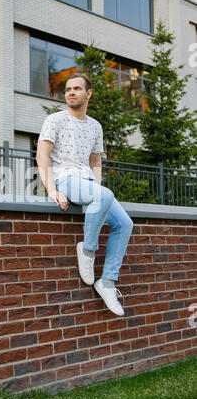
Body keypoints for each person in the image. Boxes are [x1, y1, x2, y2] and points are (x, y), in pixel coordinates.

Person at [36, 73, 133, 316]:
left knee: (125, 223)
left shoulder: (95, 126)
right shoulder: (54, 120)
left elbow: (95, 160)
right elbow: (42, 156)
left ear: (88, 94)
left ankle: (107, 281)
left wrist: (99, 191)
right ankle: (87, 250)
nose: (70, 92)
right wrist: (52, 190)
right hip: (65, 179)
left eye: (77, 88)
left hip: (87, 181)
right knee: (105, 196)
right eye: (68, 89)